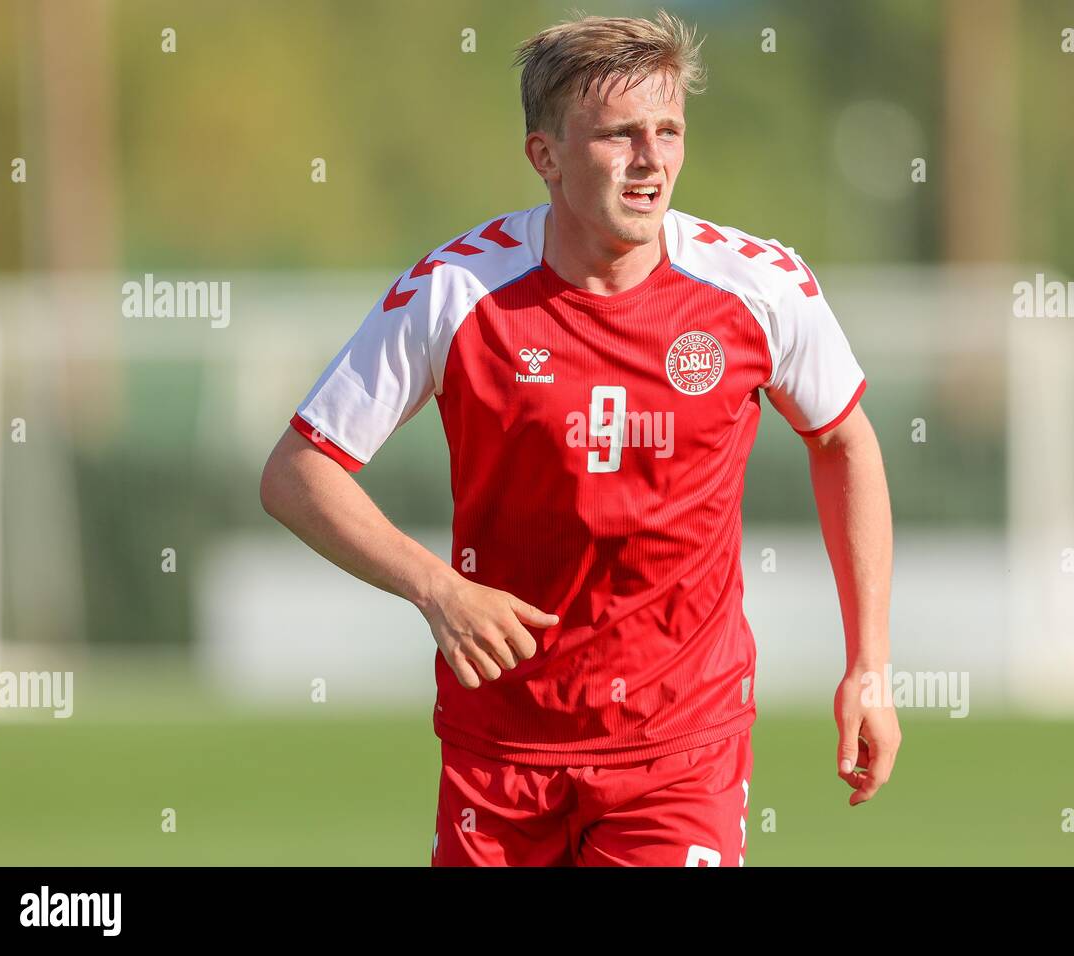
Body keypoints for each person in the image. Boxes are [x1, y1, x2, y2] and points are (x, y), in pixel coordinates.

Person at [259, 10, 898, 867]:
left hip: (681, 749)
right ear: (546, 155)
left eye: (668, 131)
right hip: (501, 751)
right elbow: (298, 473)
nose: (652, 160)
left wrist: (869, 667)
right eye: (618, 136)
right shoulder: (455, 293)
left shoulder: (759, 288)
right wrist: (436, 590)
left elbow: (845, 443)